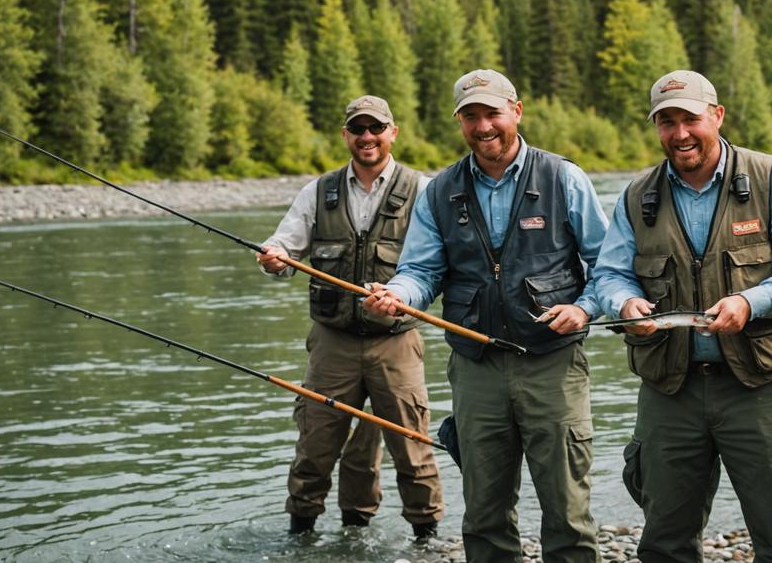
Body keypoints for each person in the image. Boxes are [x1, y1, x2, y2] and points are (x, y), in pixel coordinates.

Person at [363, 69, 608, 563]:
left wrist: (583, 308)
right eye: (470, 116)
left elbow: (608, 265)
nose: (483, 126)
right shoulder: (439, 191)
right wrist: (397, 295)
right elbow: (420, 271)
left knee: (567, 509)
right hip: (475, 369)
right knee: (484, 514)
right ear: (460, 122)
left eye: (492, 113)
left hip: (553, 366)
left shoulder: (563, 177)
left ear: (516, 111)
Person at [594, 70, 772, 563]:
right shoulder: (638, 195)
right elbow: (610, 275)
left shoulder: (771, 179)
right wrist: (624, 304)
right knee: (663, 543)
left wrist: (751, 302)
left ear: (717, 116)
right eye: (666, 122)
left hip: (764, 385)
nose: (679, 133)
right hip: (669, 389)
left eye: (690, 119)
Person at [255, 96, 444, 538]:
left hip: (396, 342)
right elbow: (284, 245)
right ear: (346, 136)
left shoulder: (425, 190)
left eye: (375, 128)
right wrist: (274, 259)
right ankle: (301, 530)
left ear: (392, 133)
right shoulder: (318, 191)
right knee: (315, 445)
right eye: (357, 129)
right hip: (331, 343)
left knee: (412, 447)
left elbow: (443, 263)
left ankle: (426, 536)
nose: (366, 137)